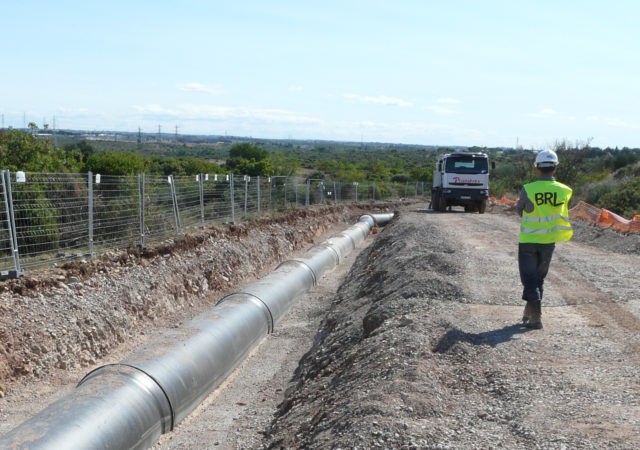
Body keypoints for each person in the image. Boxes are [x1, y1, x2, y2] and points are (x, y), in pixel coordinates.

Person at [516, 149, 573, 329]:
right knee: (538, 279)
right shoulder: (565, 191)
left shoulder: (528, 189)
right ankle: (529, 312)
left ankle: (536, 318)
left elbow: (520, 211)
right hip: (549, 242)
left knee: (529, 279)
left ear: (537, 168)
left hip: (528, 241)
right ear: (555, 167)